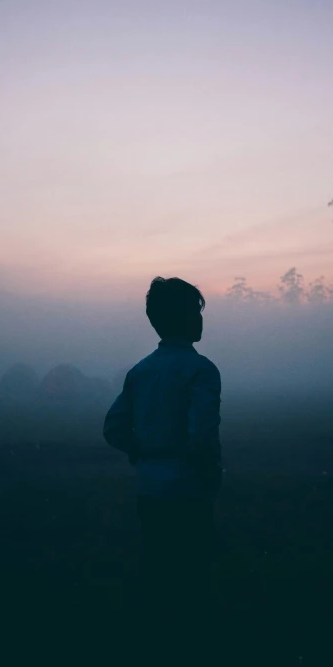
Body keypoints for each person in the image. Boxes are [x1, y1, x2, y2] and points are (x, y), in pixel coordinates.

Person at [103, 276, 222, 643]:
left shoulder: (141, 371)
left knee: (157, 562)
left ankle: (155, 636)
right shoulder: (201, 370)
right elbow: (202, 433)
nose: (202, 320)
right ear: (187, 319)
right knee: (192, 568)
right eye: (197, 313)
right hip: (189, 486)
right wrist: (207, 471)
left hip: (151, 485)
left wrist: (140, 451)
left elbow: (114, 428)